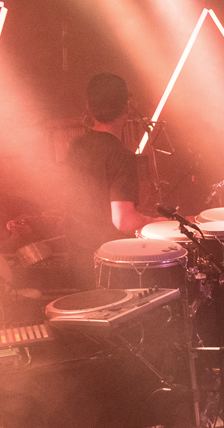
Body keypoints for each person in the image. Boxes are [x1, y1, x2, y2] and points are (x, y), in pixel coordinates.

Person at [65, 73, 157, 288]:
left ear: (89, 107)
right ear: (127, 107)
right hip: (108, 265)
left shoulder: (76, 146)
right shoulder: (121, 155)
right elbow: (123, 221)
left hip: (78, 260)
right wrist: (153, 221)